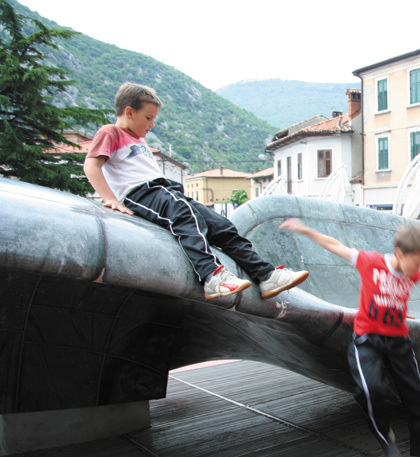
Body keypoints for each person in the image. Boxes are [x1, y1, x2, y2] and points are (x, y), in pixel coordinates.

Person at [83, 82, 308, 300]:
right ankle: (212, 276)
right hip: (142, 193)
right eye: (148, 118)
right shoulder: (110, 132)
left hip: (167, 191)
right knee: (184, 216)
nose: (151, 125)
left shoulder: (138, 139)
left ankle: (266, 275)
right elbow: (91, 165)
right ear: (129, 112)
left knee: (222, 226)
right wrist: (110, 199)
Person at [279, 218, 420, 457]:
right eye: (418, 261)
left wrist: (399, 312)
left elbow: (394, 298)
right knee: (371, 390)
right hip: (367, 340)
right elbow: (335, 245)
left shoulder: (413, 274)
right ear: (401, 253)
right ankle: (384, 437)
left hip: (399, 342)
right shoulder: (370, 261)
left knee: (417, 399)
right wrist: (306, 230)